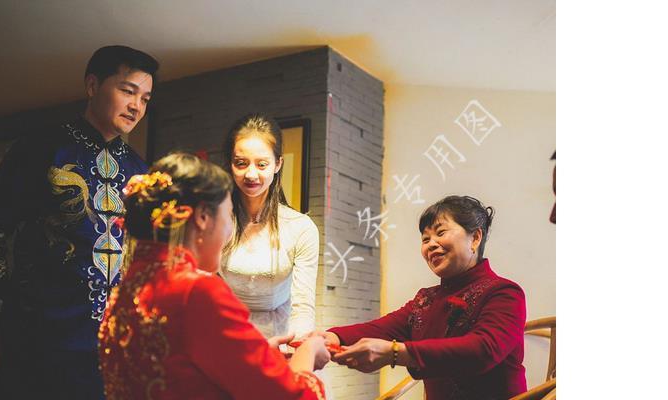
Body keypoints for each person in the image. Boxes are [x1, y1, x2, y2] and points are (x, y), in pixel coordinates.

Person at [0, 45, 158, 399]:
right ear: (92, 86)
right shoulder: (41, 149)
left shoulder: (140, 170)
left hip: (114, 343)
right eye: (127, 91)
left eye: (145, 98)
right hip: (39, 336)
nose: (136, 106)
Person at [98, 153, 329, 400]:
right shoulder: (197, 292)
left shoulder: (128, 288)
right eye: (228, 215)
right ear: (202, 218)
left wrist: (256, 356)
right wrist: (308, 352)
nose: (229, 231)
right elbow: (291, 395)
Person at [306, 196, 527, 400]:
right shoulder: (427, 299)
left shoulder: (504, 293)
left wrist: (396, 353)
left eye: (440, 233)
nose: (431, 244)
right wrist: (332, 337)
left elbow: (482, 350)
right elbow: (381, 329)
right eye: (425, 239)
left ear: (475, 238)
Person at [219, 113, 320, 339]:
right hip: (226, 335)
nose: (251, 174)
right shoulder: (217, 221)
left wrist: (298, 349)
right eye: (241, 163)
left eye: (262, 164)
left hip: (279, 338)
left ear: (278, 164)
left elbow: (303, 308)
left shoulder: (301, 228)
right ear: (230, 164)